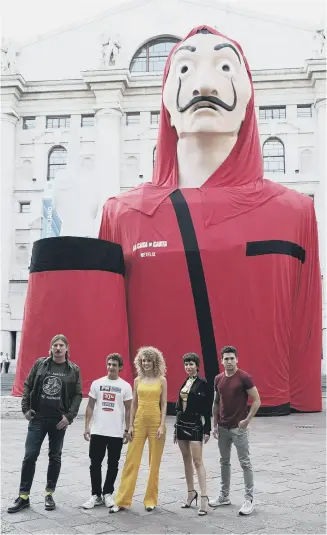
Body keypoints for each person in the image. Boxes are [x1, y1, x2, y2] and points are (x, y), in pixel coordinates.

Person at [7, 334, 82, 513]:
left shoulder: (73, 369)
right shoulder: (40, 364)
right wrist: (25, 408)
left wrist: (69, 417)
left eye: (61, 345)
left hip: (58, 421)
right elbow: (27, 385)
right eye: (55, 345)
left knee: (54, 457)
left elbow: (77, 395)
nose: (58, 348)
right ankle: (23, 496)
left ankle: (49, 494)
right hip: (38, 418)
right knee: (30, 456)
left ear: (66, 349)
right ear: (50, 348)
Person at [110, 346, 167, 513]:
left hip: (156, 422)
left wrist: (162, 425)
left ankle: (150, 500)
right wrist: (130, 425)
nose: (146, 363)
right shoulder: (137, 380)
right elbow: (133, 404)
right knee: (131, 461)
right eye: (143, 360)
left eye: (149, 360)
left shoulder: (161, 380)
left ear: (155, 362)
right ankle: (122, 500)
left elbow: (163, 404)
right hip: (139, 422)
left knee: (154, 463)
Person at [209, 346, 261, 515]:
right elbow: (216, 402)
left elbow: (257, 401)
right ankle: (224, 496)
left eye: (232, 358)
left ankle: (249, 499)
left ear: (237, 359)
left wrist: (247, 420)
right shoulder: (218, 379)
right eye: (226, 358)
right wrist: (214, 424)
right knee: (224, 462)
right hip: (223, 427)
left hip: (239, 428)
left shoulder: (244, 377)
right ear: (222, 360)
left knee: (245, 463)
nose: (229, 361)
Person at [82, 353, 133, 509]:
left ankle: (108, 493)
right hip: (98, 430)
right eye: (109, 364)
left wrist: (127, 429)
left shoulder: (125, 386)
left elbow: (129, 409)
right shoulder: (97, 384)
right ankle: (95, 495)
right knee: (95, 464)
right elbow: (90, 406)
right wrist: (87, 426)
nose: (111, 367)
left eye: (114, 365)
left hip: (116, 432)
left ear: (120, 368)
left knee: (113, 464)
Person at [175, 353, 211, 516]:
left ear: (197, 365)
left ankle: (204, 497)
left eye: (191, 364)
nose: (188, 367)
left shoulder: (203, 383)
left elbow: (207, 408)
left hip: (196, 423)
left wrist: (207, 429)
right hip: (182, 423)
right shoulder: (185, 382)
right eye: (186, 364)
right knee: (185, 460)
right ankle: (190, 493)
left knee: (198, 461)